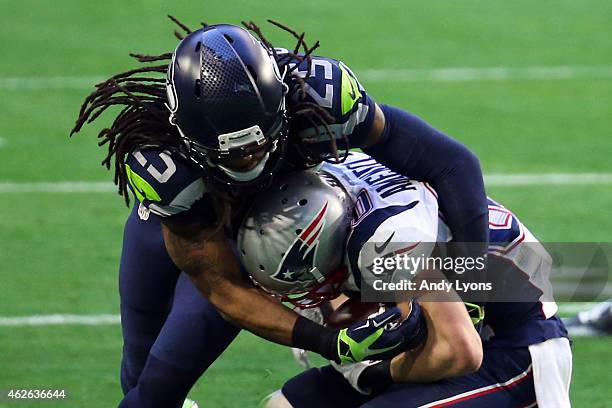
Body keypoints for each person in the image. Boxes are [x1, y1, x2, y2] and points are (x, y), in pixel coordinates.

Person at [70, 17, 489, 408]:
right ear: (188, 137)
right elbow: (221, 288)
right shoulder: (166, 170)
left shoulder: (320, 96)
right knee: (146, 378)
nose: (252, 157)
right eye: (234, 155)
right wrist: (329, 342)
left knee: (160, 384)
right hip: (197, 224)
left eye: (261, 141)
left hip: (280, 228)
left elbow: (451, 163)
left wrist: (472, 278)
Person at [237, 152, 572, 407]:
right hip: (443, 323)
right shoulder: (330, 183)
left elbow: (461, 352)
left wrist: (380, 372)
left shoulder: (389, 241)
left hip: (512, 347)